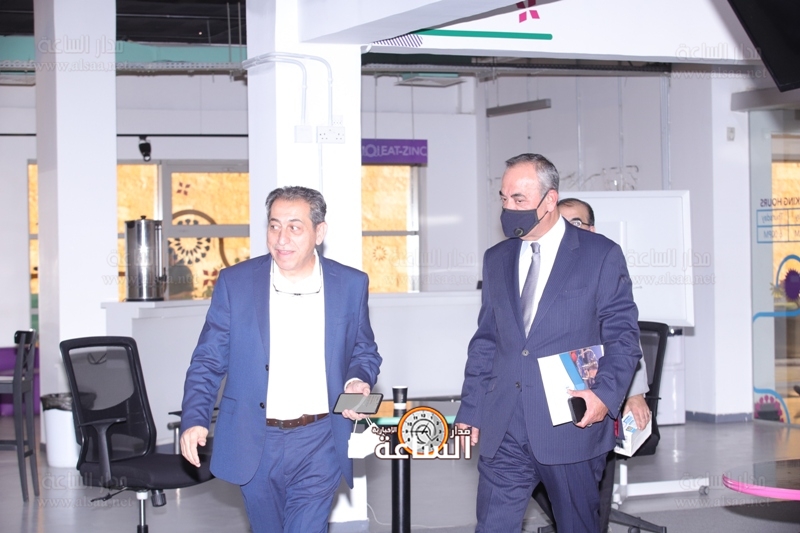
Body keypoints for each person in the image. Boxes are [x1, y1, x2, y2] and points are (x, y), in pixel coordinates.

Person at [455, 154, 642, 533]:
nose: (509, 208)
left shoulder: (599, 255)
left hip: (571, 425)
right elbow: (486, 341)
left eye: (519, 199)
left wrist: (605, 396)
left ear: (550, 199)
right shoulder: (497, 259)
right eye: (504, 198)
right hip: (504, 424)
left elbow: (623, 336)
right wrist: (471, 409)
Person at [179, 186, 382, 533]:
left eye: (294, 227)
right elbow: (208, 360)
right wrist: (195, 418)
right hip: (255, 440)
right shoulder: (236, 283)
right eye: (274, 226)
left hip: (320, 438)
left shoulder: (350, 284)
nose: (281, 238)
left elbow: (364, 349)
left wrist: (356, 380)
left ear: (319, 232)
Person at [558, 197, 652, 533]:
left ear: (592, 229)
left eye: (576, 223)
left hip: (601, 391)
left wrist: (635, 394)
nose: (569, 230)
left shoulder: (603, 263)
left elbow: (624, 336)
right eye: (561, 223)